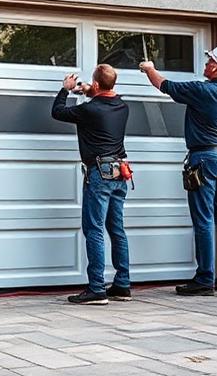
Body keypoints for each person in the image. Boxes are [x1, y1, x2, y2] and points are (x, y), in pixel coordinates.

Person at [139, 45, 217, 296]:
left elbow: (164, 85)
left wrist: (149, 68)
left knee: (204, 219)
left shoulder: (201, 90)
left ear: (216, 66)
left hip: (205, 159)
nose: (205, 64)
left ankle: (205, 279)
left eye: (208, 61)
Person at [51, 64, 131, 305]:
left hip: (100, 174)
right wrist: (89, 90)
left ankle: (96, 288)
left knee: (94, 229)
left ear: (96, 85)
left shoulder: (90, 110)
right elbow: (104, 98)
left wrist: (65, 90)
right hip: (120, 172)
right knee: (116, 229)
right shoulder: (122, 106)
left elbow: (58, 112)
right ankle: (122, 284)